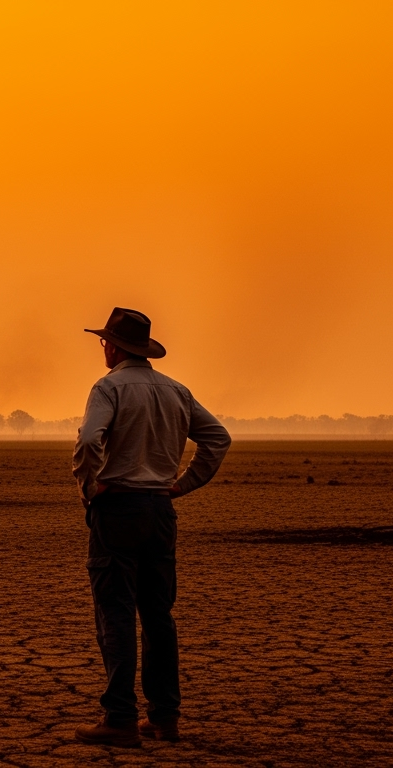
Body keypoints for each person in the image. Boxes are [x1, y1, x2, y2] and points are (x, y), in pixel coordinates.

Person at [71, 307, 231, 747]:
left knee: (115, 612)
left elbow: (88, 440)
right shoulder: (176, 390)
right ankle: (165, 717)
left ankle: (119, 717)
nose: (103, 347)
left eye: (105, 341)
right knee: (158, 616)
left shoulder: (108, 387)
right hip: (160, 511)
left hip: (118, 507)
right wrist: (182, 484)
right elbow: (218, 438)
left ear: (116, 346)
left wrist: (89, 485)